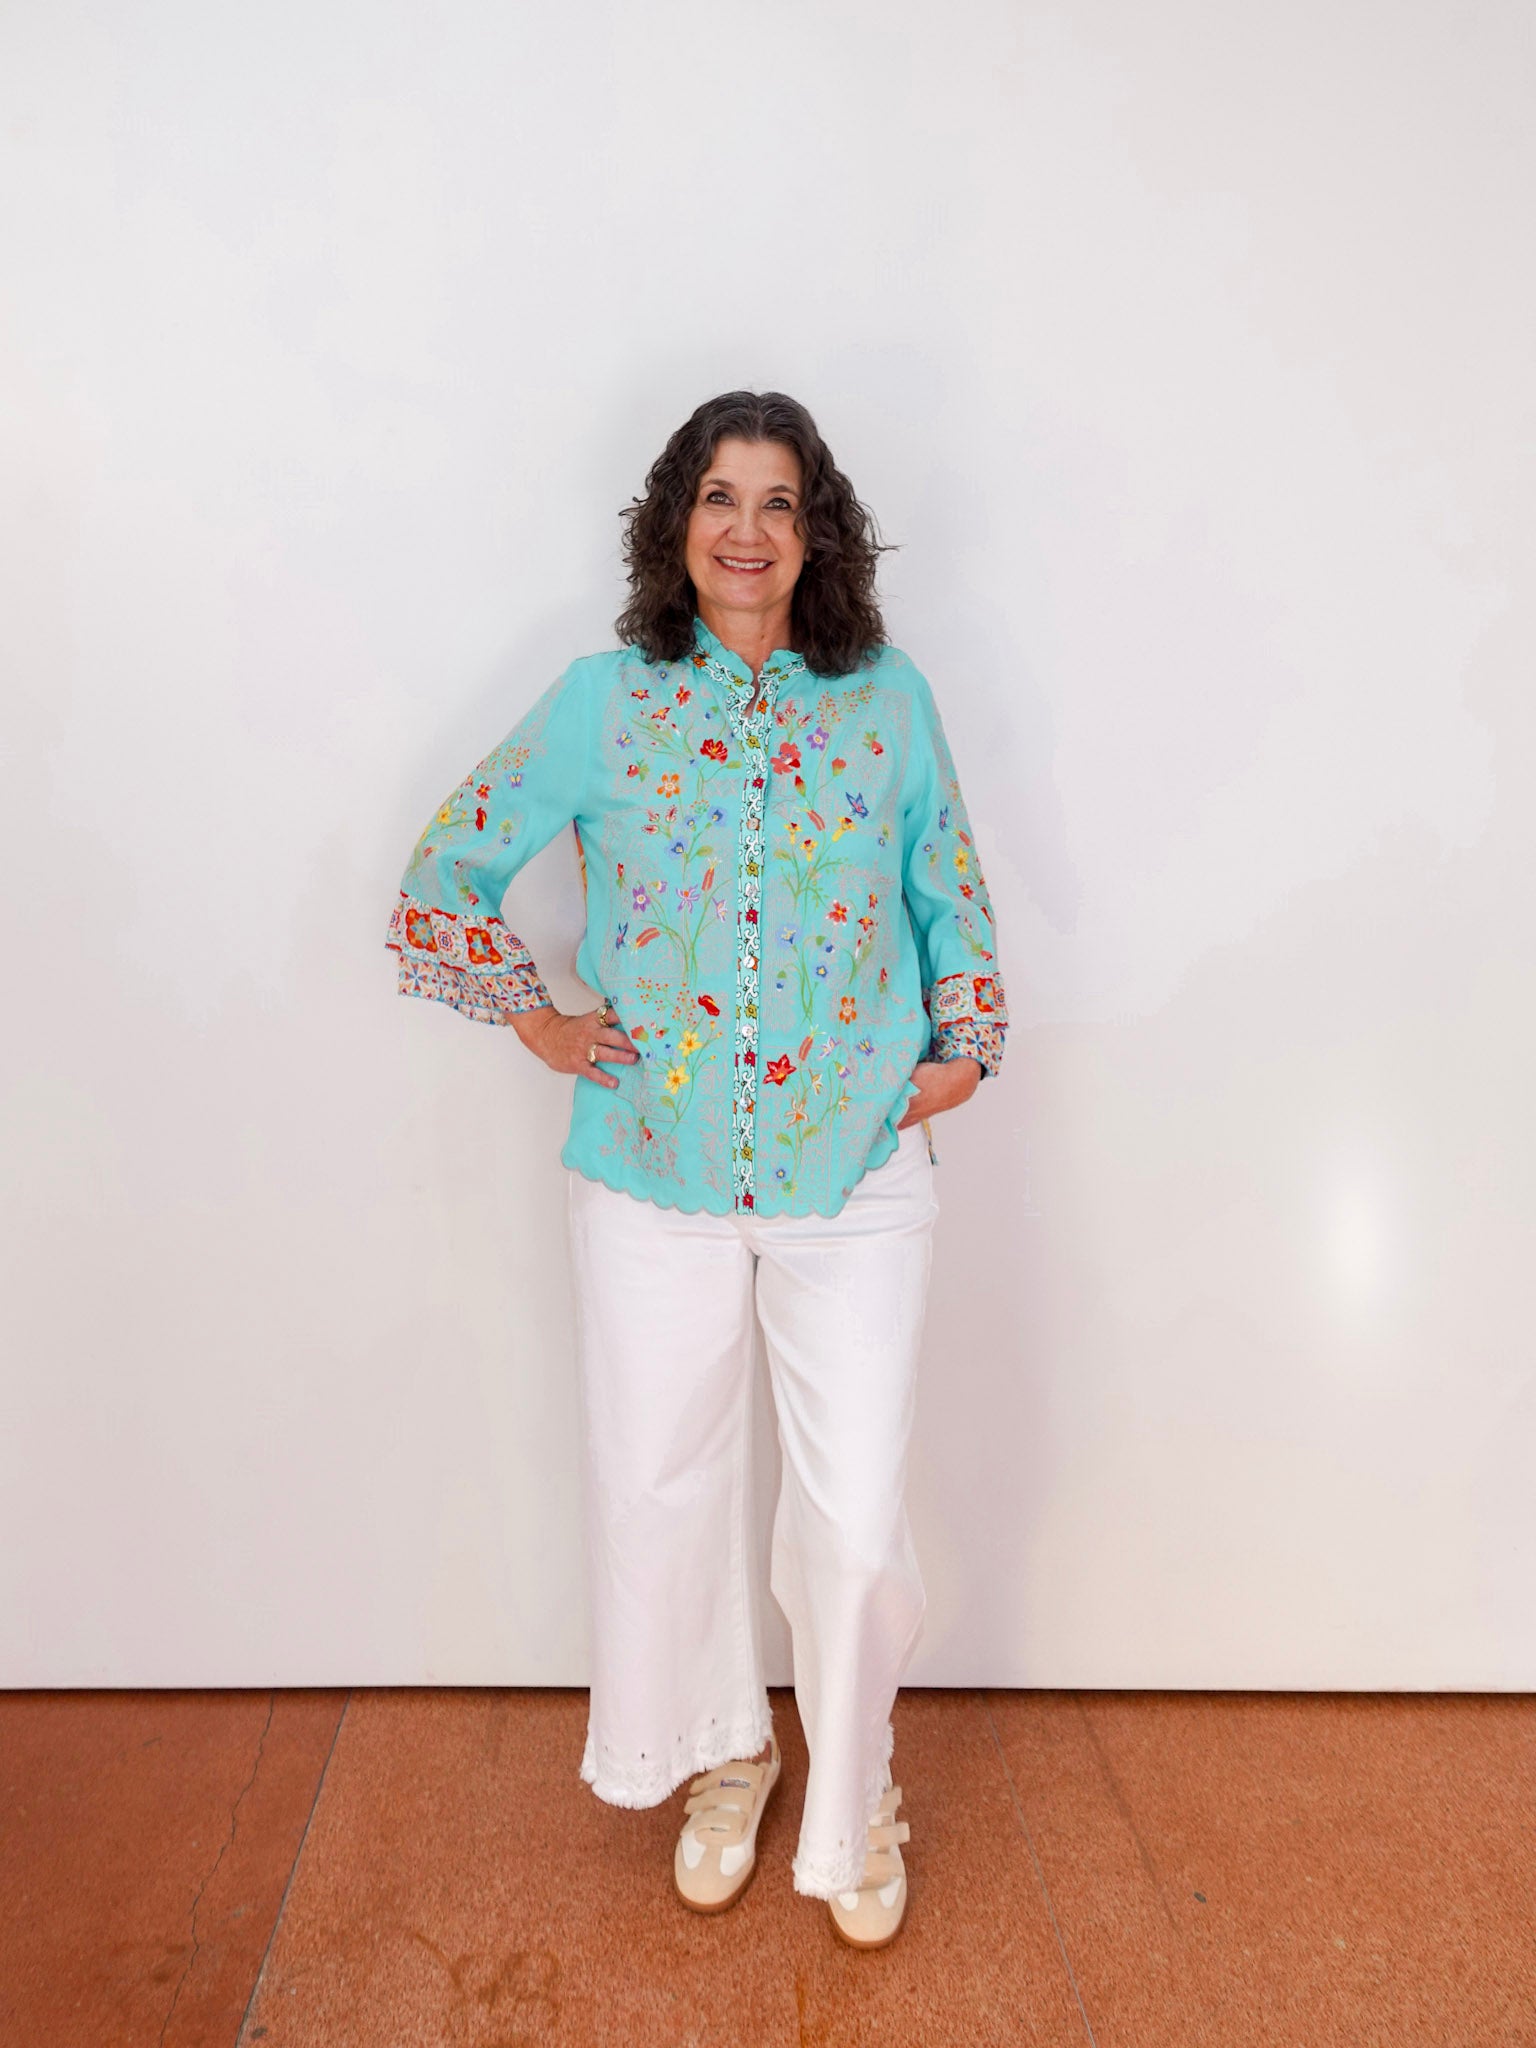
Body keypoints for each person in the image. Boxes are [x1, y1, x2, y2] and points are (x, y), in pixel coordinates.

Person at [386, 389, 1008, 1948]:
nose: (746, 529)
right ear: (677, 523)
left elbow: (951, 885)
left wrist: (965, 1042)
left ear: (819, 534)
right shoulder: (605, 703)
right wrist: (531, 1016)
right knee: (664, 1486)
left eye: (779, 502)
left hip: (855, 1164)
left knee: (855, 1517)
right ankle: (726, 1755)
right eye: (718, 496)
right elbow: (439, 874)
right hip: (651, 1162)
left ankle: (853, 1789)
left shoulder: (887, 703)